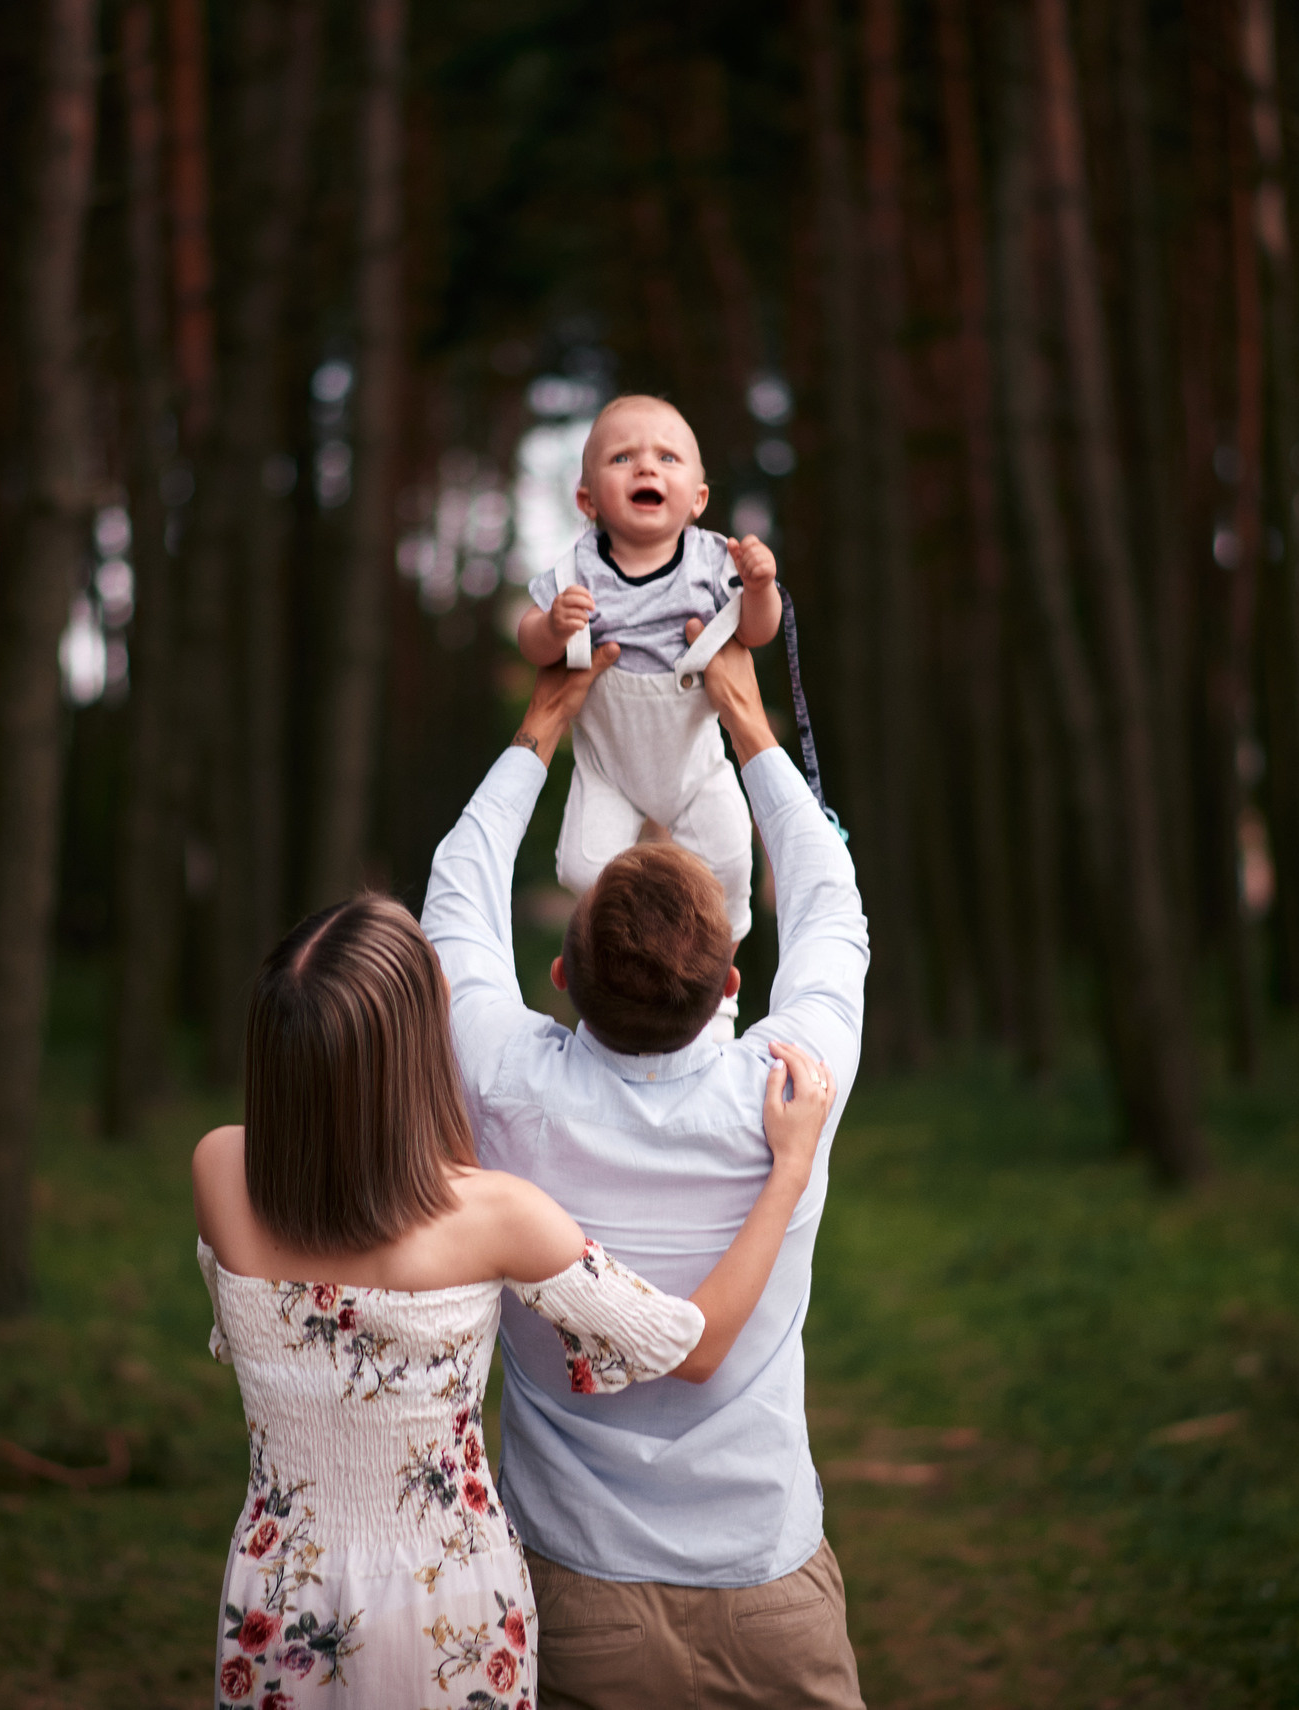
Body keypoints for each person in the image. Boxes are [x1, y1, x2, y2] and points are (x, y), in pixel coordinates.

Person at [192, 885, 837, 1710]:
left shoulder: (219, 1170)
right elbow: (694, 1343)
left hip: (280, 1597)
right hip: (450, 1605)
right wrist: (789, 1170)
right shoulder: (494, 1216)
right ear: (414, 1048)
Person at [422, 626, 870, 1708]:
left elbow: (456, 893)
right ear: (731, 986)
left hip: (576, 1598)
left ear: (560, 976)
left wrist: (545, 722)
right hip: (768, 1586)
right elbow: (830, 901)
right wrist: (746, 719)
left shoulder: (504, 1087)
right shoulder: (791, 1089)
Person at [515, 395, 783, 1035]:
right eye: (622, 457)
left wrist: (761, 588)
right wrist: (552, 628)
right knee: (584, 868)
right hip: (609, 765)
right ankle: (601, 974)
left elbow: (756, 632)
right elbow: (531, 641)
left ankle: (717, 978)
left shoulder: (712, 562)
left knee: (729, 864)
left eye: (667, 457)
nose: (645, 467)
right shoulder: (577, 570)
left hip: (694, 762)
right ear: (587, 500)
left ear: (697, 499)